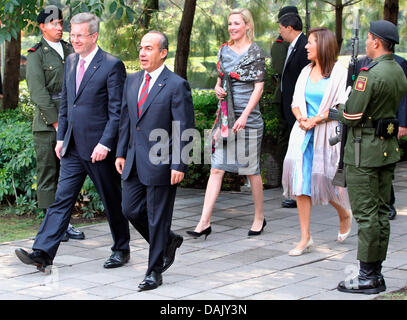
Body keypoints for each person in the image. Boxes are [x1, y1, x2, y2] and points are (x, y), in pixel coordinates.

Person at [15, 12, 131, 272]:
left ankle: (121, 249)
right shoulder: (69, 62)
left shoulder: (112, 65)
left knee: (112, 200)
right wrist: (60, 136)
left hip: (98, 149)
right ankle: (42, 253)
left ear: (94, 36)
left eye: (80, 35)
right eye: (72, 35)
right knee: (61, 199)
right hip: (71, 147)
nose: (75, 40)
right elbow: (67, 104)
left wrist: (105, 144)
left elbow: (117, 112)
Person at [115, 31, 195, 291]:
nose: (142, 53)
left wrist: (179, 164)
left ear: (163, 53)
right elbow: (126, 119)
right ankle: (168, 242)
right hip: (134, 160)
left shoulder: (176, 85)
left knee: (157, 218)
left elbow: (184, 127)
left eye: (149, 48)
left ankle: (154, 272)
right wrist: (121, 152)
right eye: (141, 48)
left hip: (163, 160)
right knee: (129, 209)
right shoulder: (132, 80)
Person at [336, 20, 407, 294]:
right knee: (379, 213)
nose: (366, 43)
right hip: (386, 151)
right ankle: (375, 273)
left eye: (368, 38)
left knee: (366, 216)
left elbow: (352, 113)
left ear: (376, 42)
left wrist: (339, 110)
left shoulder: (369, 74)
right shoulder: (398, 70)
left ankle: (366, 276)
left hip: (364, 152)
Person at [186, 8, 266, 239]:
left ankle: (259, 216)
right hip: (225, 117)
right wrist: (217, 88)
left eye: (237, 23)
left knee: (251, 171)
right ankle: (204, 222)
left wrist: (243, 116)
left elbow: (258, 88)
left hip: (248, 118)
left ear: (247, 25)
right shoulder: (223, 51)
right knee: (217, 168)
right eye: (230, 23)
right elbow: (220, 80)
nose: (232, 27)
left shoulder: (255, 52)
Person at [282, 28, 352, 256]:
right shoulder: (305, 71)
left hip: (326, 136)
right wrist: (301, 117)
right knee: (302, 185)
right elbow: (295, 101)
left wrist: (317, 119)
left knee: (328, 183)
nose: (306, 46)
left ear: (322, 44)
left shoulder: (339, 73)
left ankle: (344, 213)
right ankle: (305, 238)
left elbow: (343, 107)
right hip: (303, 135)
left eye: (310, 42)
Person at [25, 6, 84, 242]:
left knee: (67, 176)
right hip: (47, 125)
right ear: (42, 27)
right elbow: (38, 93)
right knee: (49, 174)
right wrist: (56, 122)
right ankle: (52, 227)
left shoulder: (71, 50)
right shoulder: (36, 54)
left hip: (72, 119)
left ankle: (65, 222)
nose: (59, 28)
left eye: (61, 23)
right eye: (53, 24)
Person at [356, 53, 407, 220]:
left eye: (370, 38)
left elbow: (404, 97)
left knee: (385, 165)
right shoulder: (361, 62)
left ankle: (388, 204)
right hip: (365, 127)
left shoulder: (399, 63)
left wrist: (403, 123)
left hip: (387, 125)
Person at [277, 6, 310, 209]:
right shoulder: (293, 45)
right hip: (291, 108)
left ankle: (299, 191)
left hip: (300, 110)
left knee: (299, 152)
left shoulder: (305, 46)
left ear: (290, 27)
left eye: (281, 28)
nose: (279, 32)